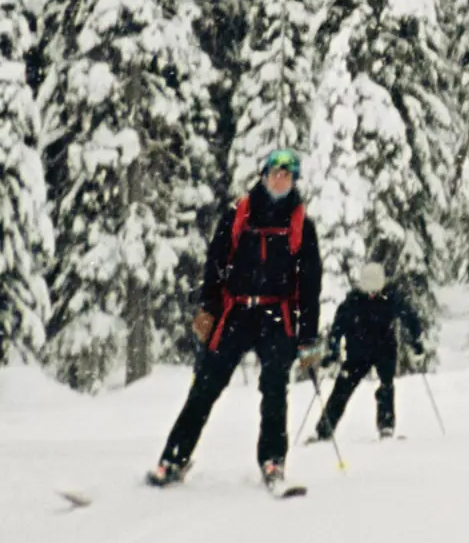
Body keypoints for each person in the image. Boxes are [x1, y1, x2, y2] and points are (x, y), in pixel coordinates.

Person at [150, 147, 326, 490]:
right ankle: (173, 458)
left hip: (278, 315)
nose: (281, 180)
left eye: (288, 176)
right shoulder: (238, 214)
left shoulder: (302, 225)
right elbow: (215, 266)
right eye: (276, 173)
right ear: (263, 175)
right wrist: (206, 315)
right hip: (236, 312)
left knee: (275, 390)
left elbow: (310, 285)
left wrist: (308, 337)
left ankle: (272, 461)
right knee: (205, 386)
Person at [313, 258, 428, 442]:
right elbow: (337, 327)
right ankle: (325, 429)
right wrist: (332, 351)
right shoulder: (353, 301)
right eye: (369, 291)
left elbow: (409, 317)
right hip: (358, 353)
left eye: (376, 290)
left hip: (385, 350)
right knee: (342, 388)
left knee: (386, 386)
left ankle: (386, 426)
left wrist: (416, 341)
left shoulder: (390, 297)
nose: (373, 294)